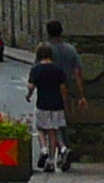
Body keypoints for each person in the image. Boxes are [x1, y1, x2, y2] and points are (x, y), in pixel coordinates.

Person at [43, 17, 85, 172]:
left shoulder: (45, 50)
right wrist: (81, 95)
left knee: (49, 126)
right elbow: (77, 72)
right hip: (68, 90)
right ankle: (63, 152)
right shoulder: (70, 50)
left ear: (48, 33)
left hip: (49, 91)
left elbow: (39, 70)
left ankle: (58, 154)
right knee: (63, 123)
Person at [26, 43, 72, 172]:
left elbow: (31, 86)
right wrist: (66, 104)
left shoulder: (36, 69)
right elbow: (63, 88)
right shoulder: (58, 69)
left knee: (40, 128)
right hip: (57, 104)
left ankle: (44, 149)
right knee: (53, 131)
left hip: (43, 104)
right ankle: (55, 157)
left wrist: (28, 95)